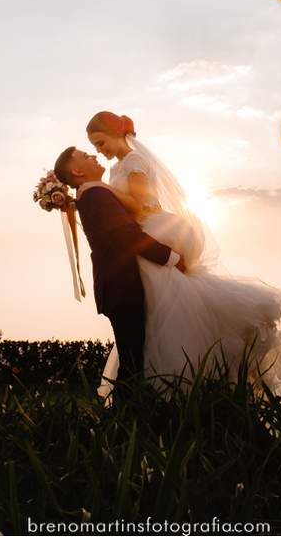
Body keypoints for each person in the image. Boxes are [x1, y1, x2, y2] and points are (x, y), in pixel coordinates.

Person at [79, 111, 281, 410]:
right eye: (94, 146)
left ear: (117, 134)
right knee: (154, 308)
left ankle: (181, 383)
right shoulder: (116, 168)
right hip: (139, 231)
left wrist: (103, 190)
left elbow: (135, 203)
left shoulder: (134, 162)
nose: (99, 150)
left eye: (100, 142)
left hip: (152, 227)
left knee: (166, 300)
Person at [53, 146, 185, 388]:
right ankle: (126, 418)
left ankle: (130, 416)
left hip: (117, 287)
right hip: (121, 287)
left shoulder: (90, 193)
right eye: (85, 156)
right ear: (77, 171)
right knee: (133, 364)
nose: (93, 155)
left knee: (135, 360)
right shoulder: (95, 196)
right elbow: (127, 234)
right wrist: (171, 257)